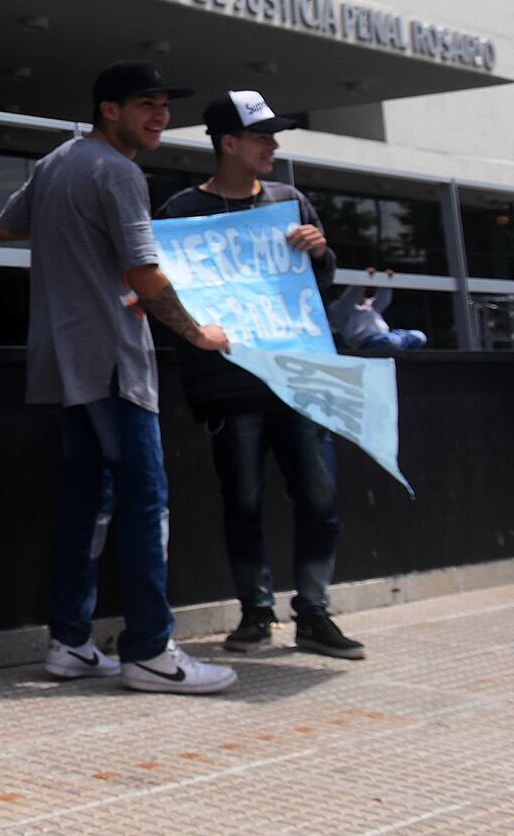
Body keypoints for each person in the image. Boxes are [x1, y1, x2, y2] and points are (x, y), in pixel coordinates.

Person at [0, 60, 238, 695]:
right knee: (145, 504)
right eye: (145, 104)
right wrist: (199, 333)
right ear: (110, 109)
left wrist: (75, 239)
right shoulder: (119, 171)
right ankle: (151, 651)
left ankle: (70, 643)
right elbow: (145, 274)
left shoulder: (57, 162)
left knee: (87, 501)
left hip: (61, 361)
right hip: (111, 361)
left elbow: (8, 224)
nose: (160, 116)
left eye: (164, 104)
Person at [155, 91, 365, 660]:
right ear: (228, 143)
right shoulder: (181, 212)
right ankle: (256, 612)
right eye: (261, 137)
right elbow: (164, 293)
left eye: (273, 137)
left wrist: (318, 252)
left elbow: (322, 285)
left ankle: (314, 612)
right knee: (243, 503)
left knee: (320, 498)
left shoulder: (290, 202)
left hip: (298, 376)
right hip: (231, 385)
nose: (272, 146)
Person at [330, 272, 428, 356]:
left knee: (419, 336)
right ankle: (395, 350)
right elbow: (351, 296)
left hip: (388, 336)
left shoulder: (370, 304)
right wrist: (363, 278)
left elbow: (384, 297)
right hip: (367, 342)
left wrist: (387, 279)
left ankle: (398, 352)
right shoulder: (339, 308)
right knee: (392, 342)